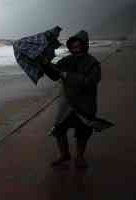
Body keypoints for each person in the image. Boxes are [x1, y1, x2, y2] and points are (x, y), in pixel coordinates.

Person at [40, 30, 101, 168]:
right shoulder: (66, 60)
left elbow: (91, 82)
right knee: (59, 129)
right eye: (73, 47)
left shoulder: (93, 63)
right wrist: (45, 64)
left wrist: (67, 76)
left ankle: (79, 157)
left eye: (78, 46)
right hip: (66, 103)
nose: (75, 49)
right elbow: (55, 75)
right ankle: (64, 155)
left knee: (83, 131)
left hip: (85, 103)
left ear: (85, 46)